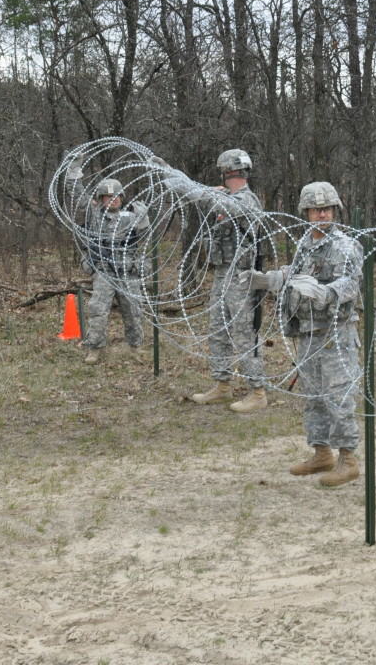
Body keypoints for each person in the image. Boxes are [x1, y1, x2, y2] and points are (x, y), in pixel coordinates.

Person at [241, 182, 364, 487]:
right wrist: (267, 280)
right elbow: (293, 274)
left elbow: (352, 282)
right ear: (306, 212)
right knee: (314, 396)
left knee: (339, 395)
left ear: (335, 210)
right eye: (315, 209)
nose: (321, 214)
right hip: (308, 333)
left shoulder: (346, 246)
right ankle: (321, 453)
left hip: (335, 333)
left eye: (326, 209)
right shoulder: (305, 243)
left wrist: (326, 293)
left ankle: (348, 459)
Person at [150, 150, 268, 412]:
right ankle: (222, 385)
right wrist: (170, 171)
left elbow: (201, 195)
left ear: (225, 171)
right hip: (223, 273)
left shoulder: (246, 200)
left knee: (243, 332)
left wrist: (178, 181)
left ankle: (257, 390)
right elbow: (198, 191)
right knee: (218, 329)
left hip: (241, 275)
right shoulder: (223, 195)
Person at [78, 177, 150, 364]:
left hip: (127, 271)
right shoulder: (94, 215)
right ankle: (94, 349)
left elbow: (146, 237)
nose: (113, 199)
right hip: (104, 271)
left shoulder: (132, 216)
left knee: (133, 311)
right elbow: (77, 194)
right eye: (108, 196)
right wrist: (74, 172)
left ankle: (136, 347)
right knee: (98, 311)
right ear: (101, 199)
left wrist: (144, 219)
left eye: (117, 195)